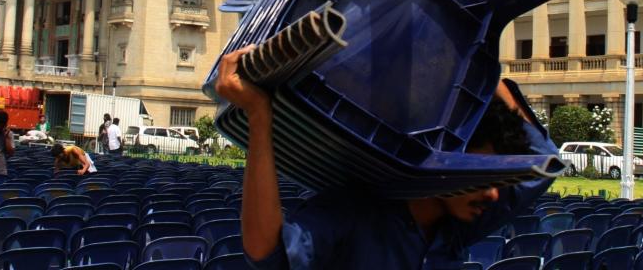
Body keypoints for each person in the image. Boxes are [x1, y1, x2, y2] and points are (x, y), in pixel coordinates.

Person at [214, 46, 560, 269]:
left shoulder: (456, 223)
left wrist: (482, 70)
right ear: (443, 159)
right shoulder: (354, 212)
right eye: (484, 178)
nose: (495, 195)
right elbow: (267, 255)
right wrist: (260, 116)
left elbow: (543, 162)